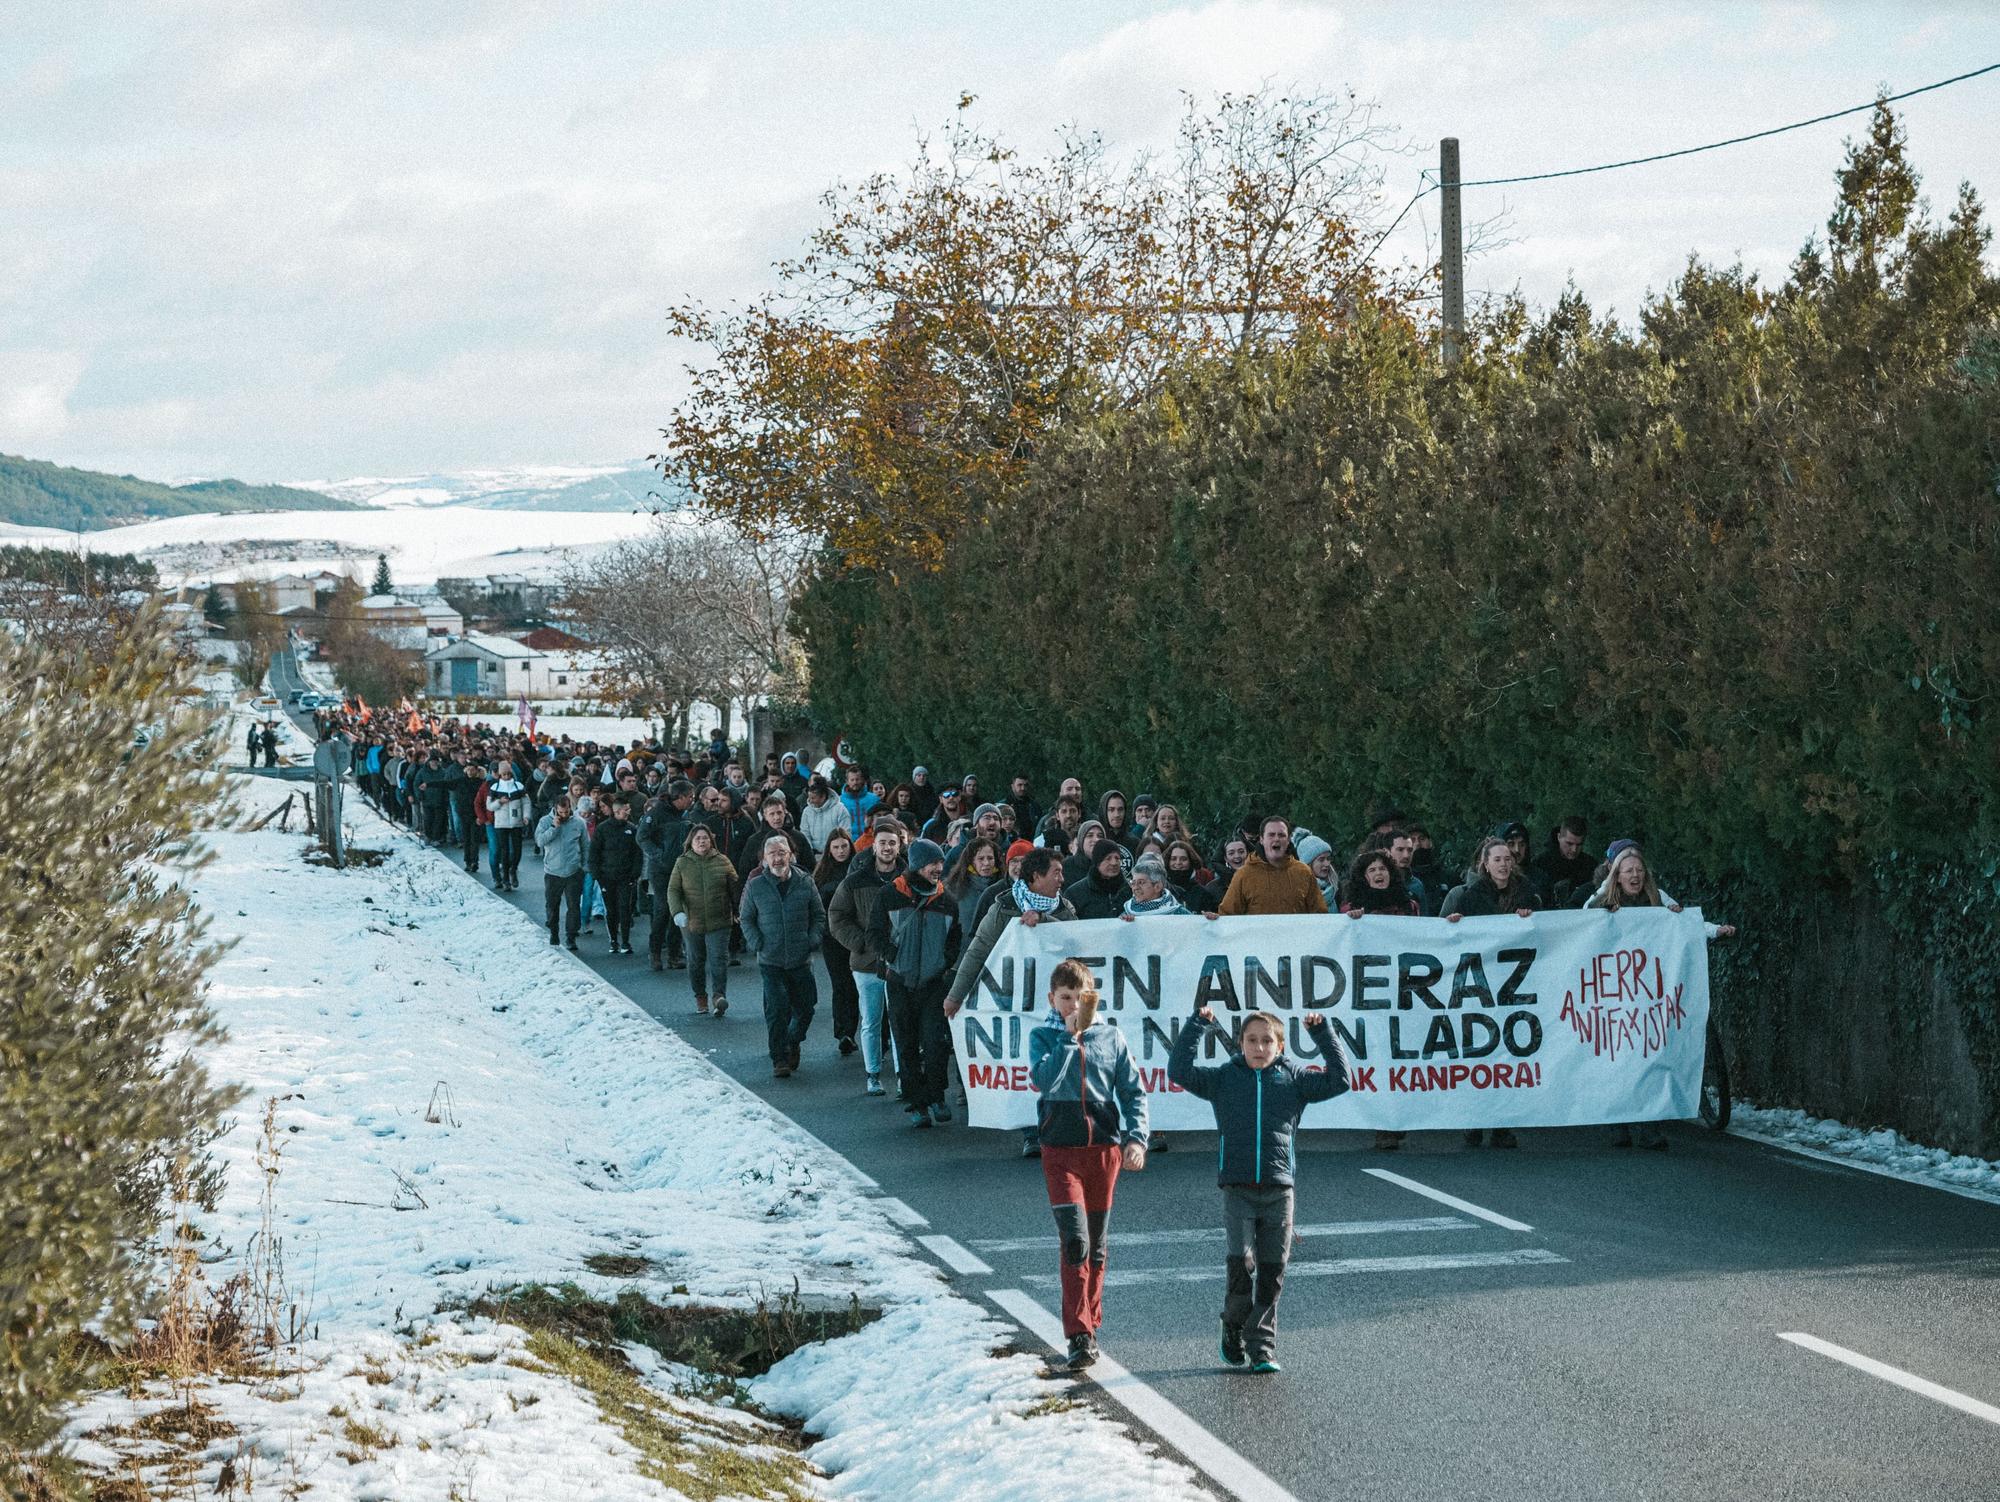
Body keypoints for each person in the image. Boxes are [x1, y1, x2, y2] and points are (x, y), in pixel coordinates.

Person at [1170, 1005, 1348, 1374]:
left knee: (1272, 1270)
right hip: (1237, 1189)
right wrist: (1197, 1025)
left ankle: (1262, 1348)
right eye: (1251, 1040)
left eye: (1267, 1041)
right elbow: (1179, 1072)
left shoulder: (1294, 1078)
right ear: (1240, 1044)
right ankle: (1233, 1326)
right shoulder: (1224, 1078)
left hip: (1279, 1189)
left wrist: (1322, 1034)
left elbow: (1340, 1080)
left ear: (1280, 1046)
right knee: (1242, 1265)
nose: (1259, 1047)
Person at [1028, 958, 1148, 1371]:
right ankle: (1078, 1334)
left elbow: (1133, 1091)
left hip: (1103, 1151)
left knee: (1096, 1247)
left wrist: (1137, 1139)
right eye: (1066, 999)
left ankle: (1090, 1324)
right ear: (1053, 999)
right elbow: (1043, 1081)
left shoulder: (1111, 1037)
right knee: (1075, 1242)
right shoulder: (1043, 1035)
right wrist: (1067, 1038)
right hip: (1060, 1151)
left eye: (1081, 999)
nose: (1074, 1006)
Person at [1585, 843, 1737, 1149]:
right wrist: (1605, 901)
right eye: (1628, 870)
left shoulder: (1656, 898)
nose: (1635, 875)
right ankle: (1618, 1121)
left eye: (1639, 870)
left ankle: (1649, 1125)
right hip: (1616, 992)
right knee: (1619, 1057)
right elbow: (1584, 919)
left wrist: (1715, 930)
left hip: (1647, 989)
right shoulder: (1603, 900)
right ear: (1617, 874)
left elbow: (1685, 925)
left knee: (1648, 1055)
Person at [946, 847, 1077, 1158]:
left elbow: (1075, 940)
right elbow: (978, 951)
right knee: (1022, 1062)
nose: (1062, 878)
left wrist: (1044, 918)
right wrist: (955, 995)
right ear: (1035, 877)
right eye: (1056, 873)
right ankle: (1031, 1132)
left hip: (1053, 1003)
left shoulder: (1065, 907)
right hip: (1015, 1003)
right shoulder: (1003, 908)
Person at [1441, 835, 1539, 1148]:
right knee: (1477, 1053)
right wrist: (1455, 923)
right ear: (1485, 864)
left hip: (1512, 987)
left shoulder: (1527, 893)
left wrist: (1528, 919)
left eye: (1508, 859)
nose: (1503, 864)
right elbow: (1450, 937)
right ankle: (1475, 1120)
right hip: (1478, 986)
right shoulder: (1468, 896)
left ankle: (1502, 1124)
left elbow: (1542, 930)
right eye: (1497, 859)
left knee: (1507, 1054)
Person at [869, 837, 962, 1127]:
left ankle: (936, 1096)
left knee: (935, 1043)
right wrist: (891, 956)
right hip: (899, 981)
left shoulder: (947, 900)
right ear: (918, 865)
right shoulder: (890, 894)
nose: (939, 868)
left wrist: (944, 962)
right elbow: (874, 933)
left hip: (933, 983)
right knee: (906, 1043)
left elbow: (955, 937)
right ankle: (916, 1103)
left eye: (940, 863)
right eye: (933, 863)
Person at [828, 819, 906, 1097]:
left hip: (900, 963)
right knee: (872, 1021)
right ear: (874, 846)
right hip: (866, 964)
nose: (887, 847)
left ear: (899, 846)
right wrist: (860, 943)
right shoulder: (855, 880)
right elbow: (837, 917)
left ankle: (902, 1076)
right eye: (882, 842)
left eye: (892, 843)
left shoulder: (909, 878)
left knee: (900, 1023)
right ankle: (873, 1074)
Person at [739, 832, 826, 1078]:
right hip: (771, 960)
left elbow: (819, 915)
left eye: (781, 853)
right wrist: (758, 943)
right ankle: (779, 1057)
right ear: (764, 859)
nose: (777, 859)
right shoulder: (756, 885)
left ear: (790, 855)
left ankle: (792, 1041)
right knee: (777, 1009)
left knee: (807, 1006)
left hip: (800, 959)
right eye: (772, 854)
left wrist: (812, 940)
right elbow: (746, 918)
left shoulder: (805, 881)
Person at [667, 824, 738, 1017]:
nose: (701, 841)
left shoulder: (722, 861)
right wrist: (677, 912)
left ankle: (718, 997)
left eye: (705, 838)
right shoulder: (682, 862)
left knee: (719, 960)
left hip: (720, 919)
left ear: (711, 841)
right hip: (691, 921)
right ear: (691, 841)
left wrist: (737, 909)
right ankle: (700, 997)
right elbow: (673, 890)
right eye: (697, 838)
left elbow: (734, 886)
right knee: (696, 961)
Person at [1218, 816, 1327, 915]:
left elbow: (1320, 915)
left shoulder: (1304, 872)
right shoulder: (1244, 875)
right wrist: (1212, 921)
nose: (1276, 839)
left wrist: (1343, 922)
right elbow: (1227, 916)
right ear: (1261, 839)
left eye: (1281, 835)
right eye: (1271, 835)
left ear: (1288, 840)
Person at [813, 831, 861, 1058]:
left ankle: (860, 1031)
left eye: (844, 846)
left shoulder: (859, 869)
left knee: (859, 984)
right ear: (829, 850)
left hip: (857, 935)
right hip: (832, 939)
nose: (841, 851)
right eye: (836, 847)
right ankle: (844, 1032)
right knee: (841, 985)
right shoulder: (822, 875)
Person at [640, 780, 696, 970]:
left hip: (682, 868)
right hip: (661, 870)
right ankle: (655, 952)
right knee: (663, 909)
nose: (692, 801)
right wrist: (658, 854)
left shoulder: (687, 815)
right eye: (690, 797)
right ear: (679, 798)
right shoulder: (657, 813)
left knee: (679, 909)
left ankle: (674, 953)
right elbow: (642, 837)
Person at [588, 793, 644, 954]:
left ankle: (626, 941)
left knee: (625, 909)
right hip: (607, 877)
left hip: (626, 877)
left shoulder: (632, 829)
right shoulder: (603, 829)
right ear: (618, 811)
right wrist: (597, 875)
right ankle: (613, 940)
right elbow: (594, 854)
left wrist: (635, 874)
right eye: (626, 809)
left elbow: (637, 854)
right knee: (611, 910)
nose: (629, 811)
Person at [535, 794, 588, 951]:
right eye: (561, 812)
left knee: (573, 906)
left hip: (573, 871)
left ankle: (571, 936)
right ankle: (553, 932)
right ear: (555, 810)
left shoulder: (578, 823)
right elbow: (540, 841)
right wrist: (554, 828)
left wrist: (584, 867)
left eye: (567, 812)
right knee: (552, 905)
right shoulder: (545, 821)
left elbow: (585, 845)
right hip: (553, 871)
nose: (564, 815)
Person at [1533, 816, 1599, 909]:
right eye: (1569, 844)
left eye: (1579, 845)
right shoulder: (1540, 863)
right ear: (1559, 837)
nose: (1574, 849)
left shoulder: (1591, 865)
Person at [486, 759, 531, 891]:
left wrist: (526, 816)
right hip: (501, 823)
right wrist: (499, 802)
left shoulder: (518, 786)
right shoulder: (495, 788)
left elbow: (526, 802)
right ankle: (505, 878)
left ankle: (513, 869)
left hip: (516, 822)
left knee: (517, 850)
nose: (506, 777)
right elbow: (489, 806)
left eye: (508, 774)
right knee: (504, 851)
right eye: (504, 774)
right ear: (500, 775)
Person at [1064, 838, 1131, 920]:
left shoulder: (1128, 889)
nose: (1114, 863)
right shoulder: (1075, 893)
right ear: (1097, 862)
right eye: (1108, 858)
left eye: (1117, 858)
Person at [799, 775, 851, 854]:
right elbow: (805, 833)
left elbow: (846, 833)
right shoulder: (807, 812)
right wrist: (810, 851)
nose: (810, 801)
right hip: (814, 854)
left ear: (823, 796)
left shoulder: (840, 810)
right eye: (809, 797)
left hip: (835, 854)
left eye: (813, 798)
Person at [1292, 830, 1340, 909]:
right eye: (1321, 859)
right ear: (1308, 864)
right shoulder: (1297, 892)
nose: (1327, 864)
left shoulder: (1338, 889)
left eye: (1328, 859)